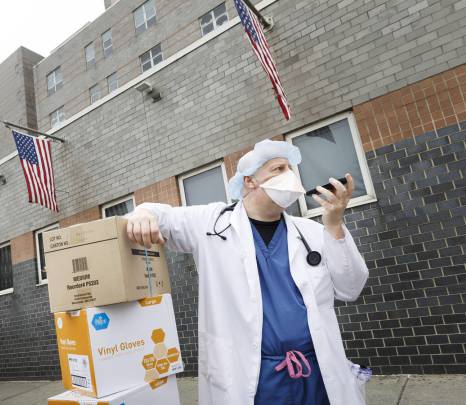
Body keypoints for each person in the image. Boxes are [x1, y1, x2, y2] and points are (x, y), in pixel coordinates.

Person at [126, 139, 369, 405]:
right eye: (278, 169)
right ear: (250, 181)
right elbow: (162, 216)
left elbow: (351, 288)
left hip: (316, 370)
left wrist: (334, 225)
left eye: (290, 168)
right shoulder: (212, 223)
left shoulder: (310, 231)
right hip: (253, 376)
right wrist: (142, 212)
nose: (289, 175)